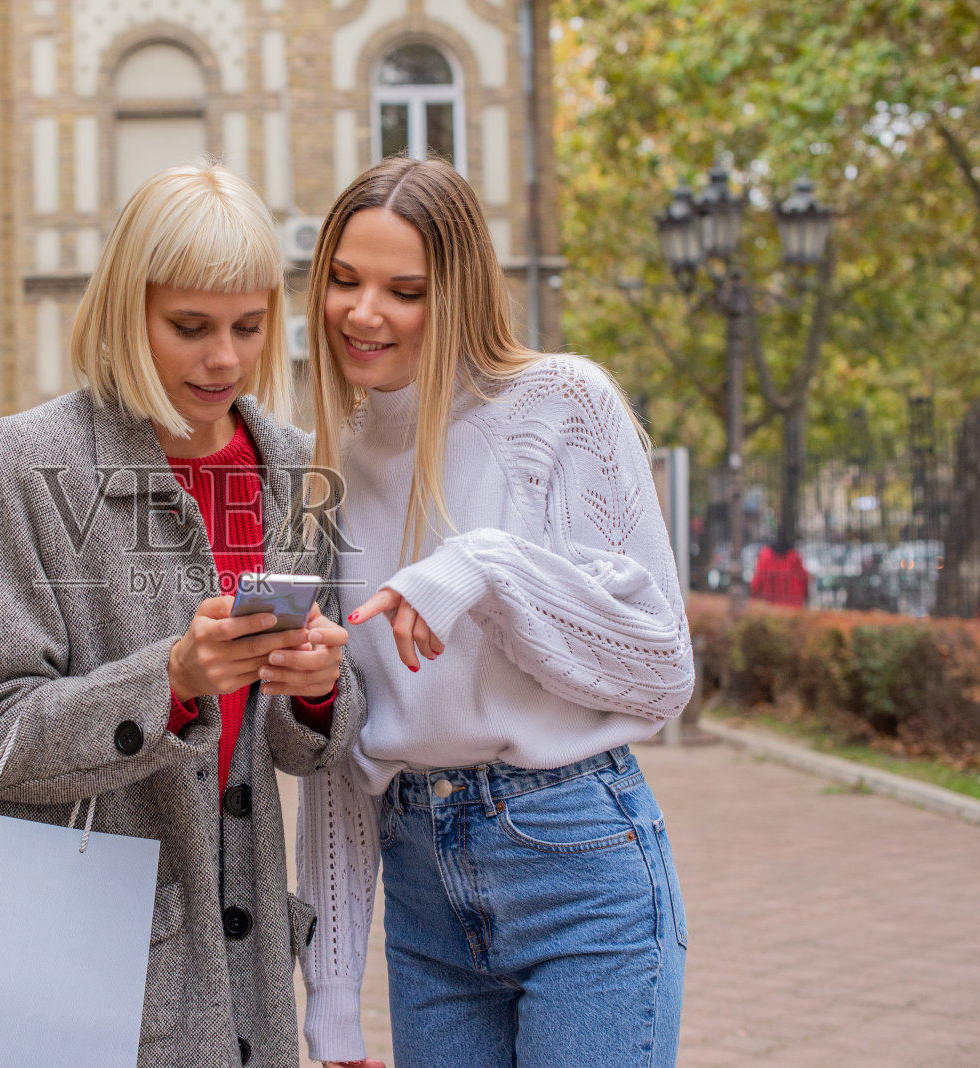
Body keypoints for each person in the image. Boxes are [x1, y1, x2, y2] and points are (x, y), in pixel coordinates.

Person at [0, 162, 364, 1068]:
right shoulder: (26, 462)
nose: (224, 358)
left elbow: (306, 748)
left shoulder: (299, 470)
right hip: (87, 960)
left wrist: (321, 690)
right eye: (190, 327)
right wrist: (170, 685)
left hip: (250, 977)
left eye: (249, 327)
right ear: (126, 312)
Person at [295, 157, 697, 1068]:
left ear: (462, 291)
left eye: (406, 290)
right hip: (420, 885)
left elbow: (661, 667)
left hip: (576, 861)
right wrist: (330, 1000)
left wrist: (483, 567)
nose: (365, 314)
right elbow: (344, 756)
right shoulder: (331, 464)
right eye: (345, 281)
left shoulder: (561, 406)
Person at [750, 536, 810, 606]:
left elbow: (756, 583)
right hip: (793, 606)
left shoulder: (765, 558)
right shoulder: (795, 558)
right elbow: (804, 579)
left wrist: (754, 597)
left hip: (770, 605)